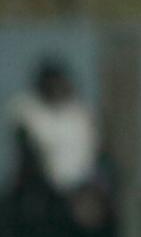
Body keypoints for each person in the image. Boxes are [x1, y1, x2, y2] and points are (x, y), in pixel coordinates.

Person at [6, 55, 116, 237]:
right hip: (42, 190)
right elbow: (27, 156)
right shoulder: (26, 111)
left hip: (84, 187)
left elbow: (101, 156)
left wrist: (93, 190)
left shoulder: (83, 113)